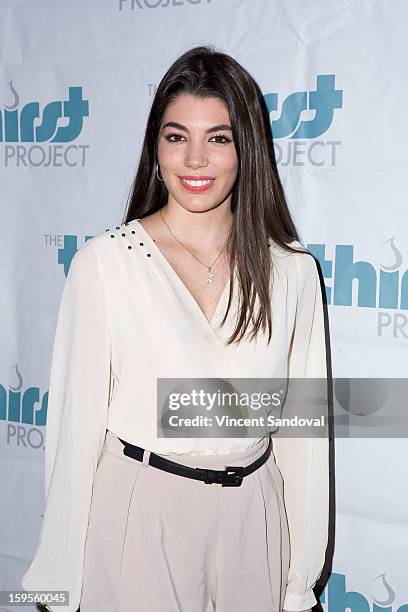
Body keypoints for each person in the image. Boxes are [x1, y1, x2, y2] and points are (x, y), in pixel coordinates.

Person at [21, 45, 330, 612]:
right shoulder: (106, 264)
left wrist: (297, 582)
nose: (193, 160)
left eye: (218, 138)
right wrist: (59, 585)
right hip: (139, 515)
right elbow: (74, 432)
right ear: (154, 146)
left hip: (253, 521)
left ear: (247, 148)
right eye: (175, 136)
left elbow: (302, 434)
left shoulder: (292, 271)